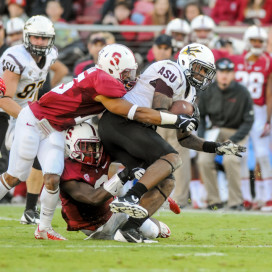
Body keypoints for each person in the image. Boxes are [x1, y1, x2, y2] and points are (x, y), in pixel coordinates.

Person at [0, 43, 196, 240]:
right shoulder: (102, 81)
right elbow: (131, 111)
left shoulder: (101, 83)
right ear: (112, 69)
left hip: (56, 129)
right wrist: (176, 119)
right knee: (16, 175)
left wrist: (153, 186)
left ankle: (43, 229)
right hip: (33, 122)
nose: (130, 78)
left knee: (52, 177)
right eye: (126, 73)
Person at [98, 43, 246, 242]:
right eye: (200, 68)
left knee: (167, 183)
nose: (202, 75)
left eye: (206, 71)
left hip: (135, 129)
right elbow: (159, 109)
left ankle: (128, 229)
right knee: (172, 158)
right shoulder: (172, 70)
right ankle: (130, 197)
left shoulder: (191, 93)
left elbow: (184, 138)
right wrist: (181, 114)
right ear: (186, 62)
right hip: (122, 122)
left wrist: (216, 147)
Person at [0, 15, 68, 224]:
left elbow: (46, 80)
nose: (40, 42)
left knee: (39, 160)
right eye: (36, 37)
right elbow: (4, 99)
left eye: (44, 38)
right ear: (27, 37)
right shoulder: (15, 57)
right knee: (11, 171)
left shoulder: (50, 56)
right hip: (5, 113)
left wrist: (38, 108)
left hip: (26, 113)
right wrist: (31, 118)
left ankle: (30, 210)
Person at [60, 122, 172, 242]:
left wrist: (157, 191)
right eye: (85, 146)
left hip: (111, 211)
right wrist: (124, 175)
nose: (91, 151)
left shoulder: (102, 156)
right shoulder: (68, 169)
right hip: (90, 223)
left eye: (94, 146)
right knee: (141, 228)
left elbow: (132, 156)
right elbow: (93, 198)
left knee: (152, 231)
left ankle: (157, 225)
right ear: (70, 145)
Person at [197, 58, 254, 210]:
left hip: (235, 132)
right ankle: (213, 201)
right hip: (215, 131)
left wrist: (233, 140)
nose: (225, 75)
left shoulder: (242, 92)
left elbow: (249, 120)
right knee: (203, 160)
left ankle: (236, 202)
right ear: (217, 73)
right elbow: (201, 116)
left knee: (230, 160)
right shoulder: (208, 90)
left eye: (228, 72)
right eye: (222, 72)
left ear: (233, 74)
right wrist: (201, 137)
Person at [231, 25, 272, 211]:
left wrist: (268, 119)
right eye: (253, 40)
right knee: (242, 154)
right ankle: (246, 197)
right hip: (239, 111)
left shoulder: (267, 61)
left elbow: (269, 93)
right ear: (247, 41)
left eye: (260, 41)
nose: (256, 44)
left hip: (259, 109)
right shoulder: (236, 60)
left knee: (263, 154)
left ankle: (267, 196)